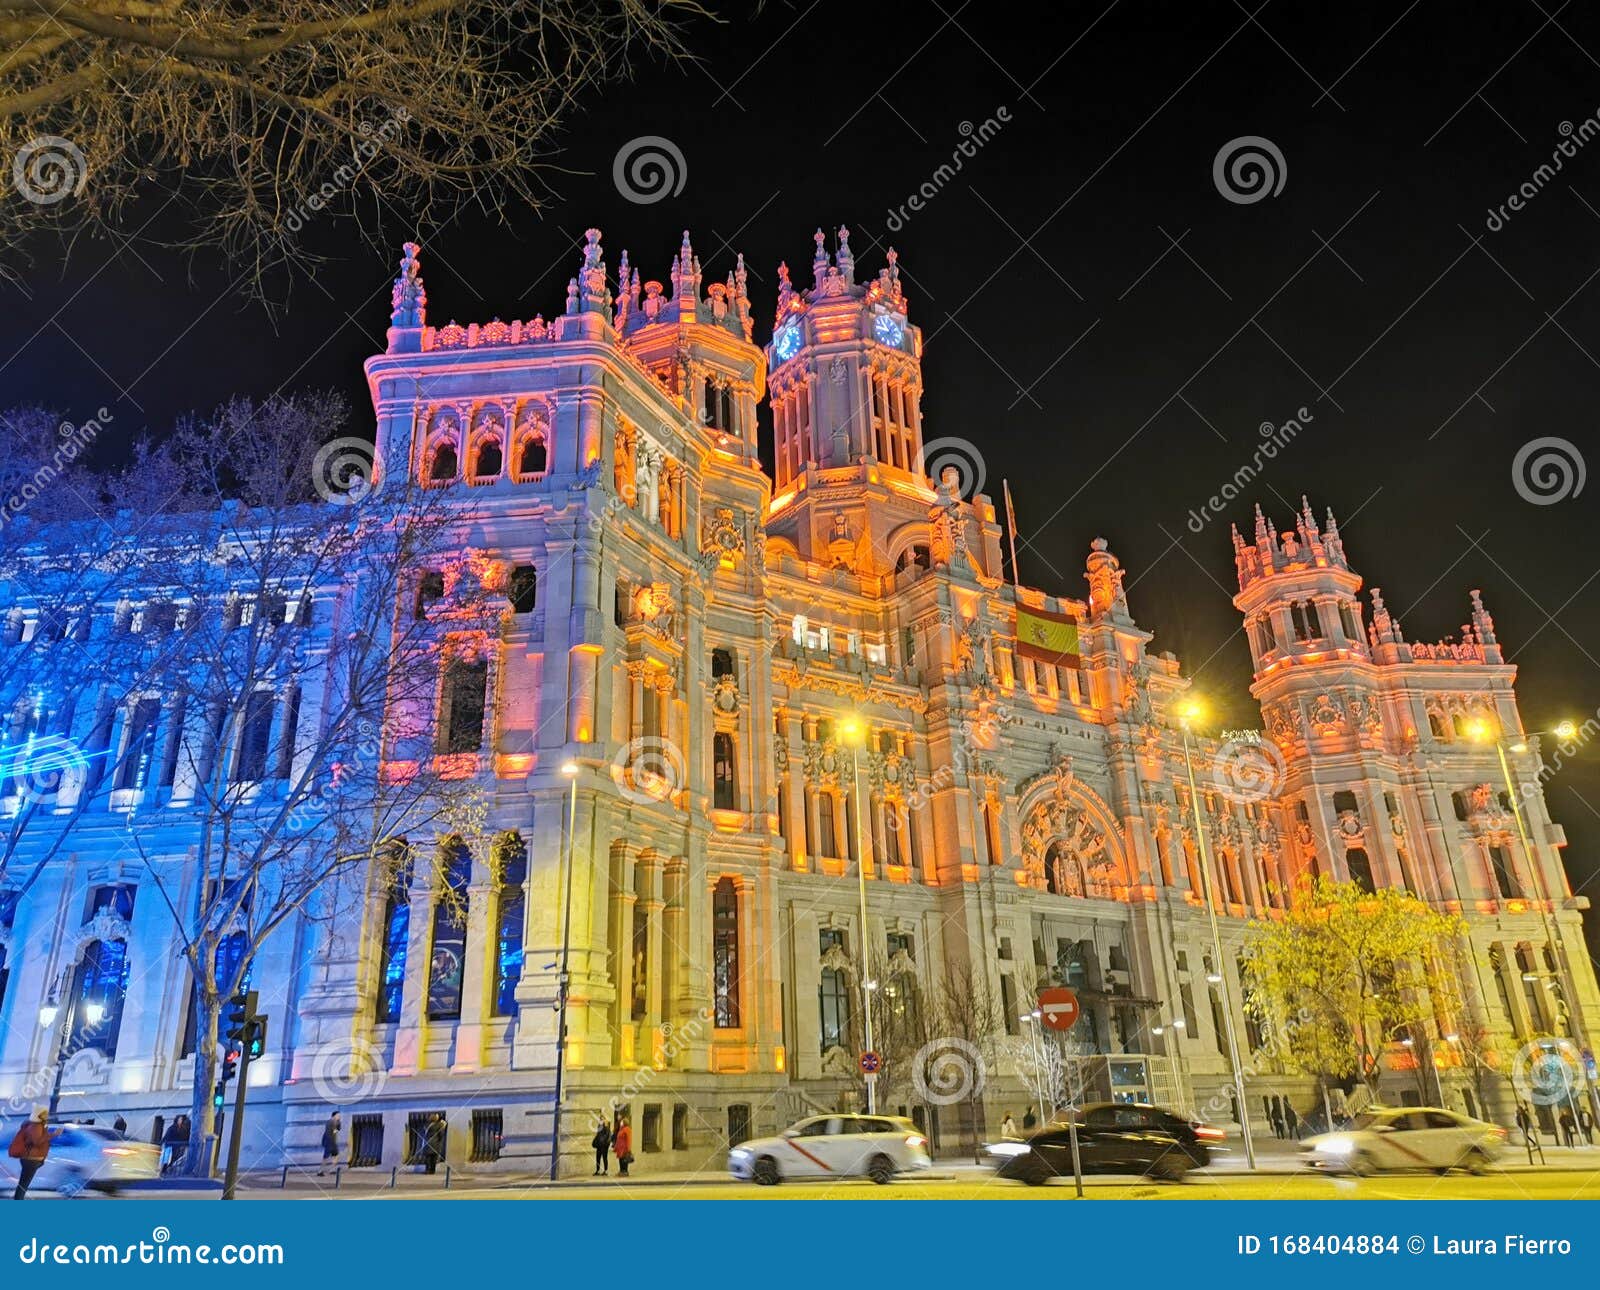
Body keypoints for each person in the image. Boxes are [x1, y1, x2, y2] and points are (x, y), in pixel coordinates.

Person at [9, 1108, 53, 1201]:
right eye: (45, 1115)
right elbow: (36, 1142)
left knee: (23, 1183)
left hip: (32, 1159)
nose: (47, 1117)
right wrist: (53, 1134)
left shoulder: (37, 1126)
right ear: (40, 1116)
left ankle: (18, 1199)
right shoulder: (36, 1126)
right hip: (31, 1159)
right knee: (24, 1184)